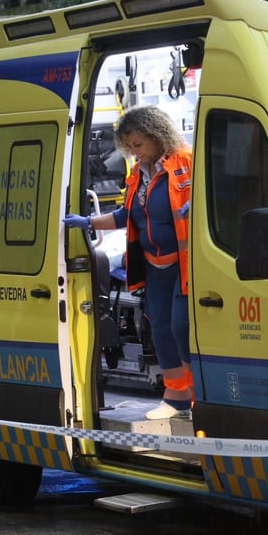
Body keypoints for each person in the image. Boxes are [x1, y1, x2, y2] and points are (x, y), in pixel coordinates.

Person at [63, 105, 194, 420]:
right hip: (154, 264)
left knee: (181, 326)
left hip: (184, 263)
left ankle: (196, 396)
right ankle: (176, 398)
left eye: (138, 145)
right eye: (130, 147)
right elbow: (126, 216)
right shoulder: (138, 174)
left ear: (157, 136)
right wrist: (88, 222)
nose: (134, 152)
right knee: (160, 327)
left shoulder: (185, 164)